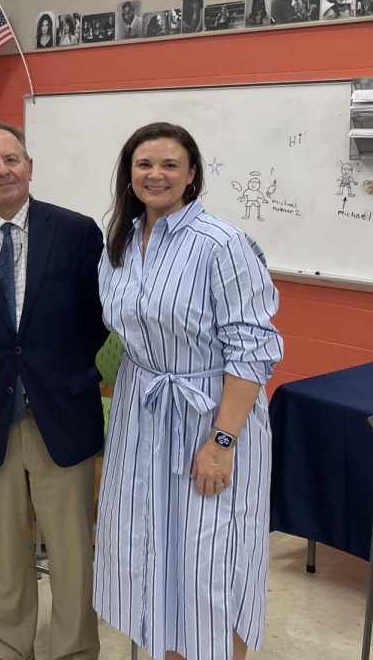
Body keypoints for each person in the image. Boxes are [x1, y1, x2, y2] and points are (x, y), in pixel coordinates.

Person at [94, 123, 283, 660]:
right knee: (148, 550)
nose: (156, 175)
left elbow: (252, 350)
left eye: (170, 165)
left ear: (192, 175)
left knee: (212, 559)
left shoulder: (221, 244)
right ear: (129, 175)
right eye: (144, 164)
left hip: (211, 416)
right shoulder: (122, 242)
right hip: (141, 411)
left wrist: (222, 443)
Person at [0, 119, 108, 660]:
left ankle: (73, 649)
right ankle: (11, 644)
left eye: (11, 159)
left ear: (29, 167)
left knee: (72, 549)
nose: (2, 170)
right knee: (6, 545)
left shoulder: (77, 232)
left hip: (62, 409)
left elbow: (96, 319)